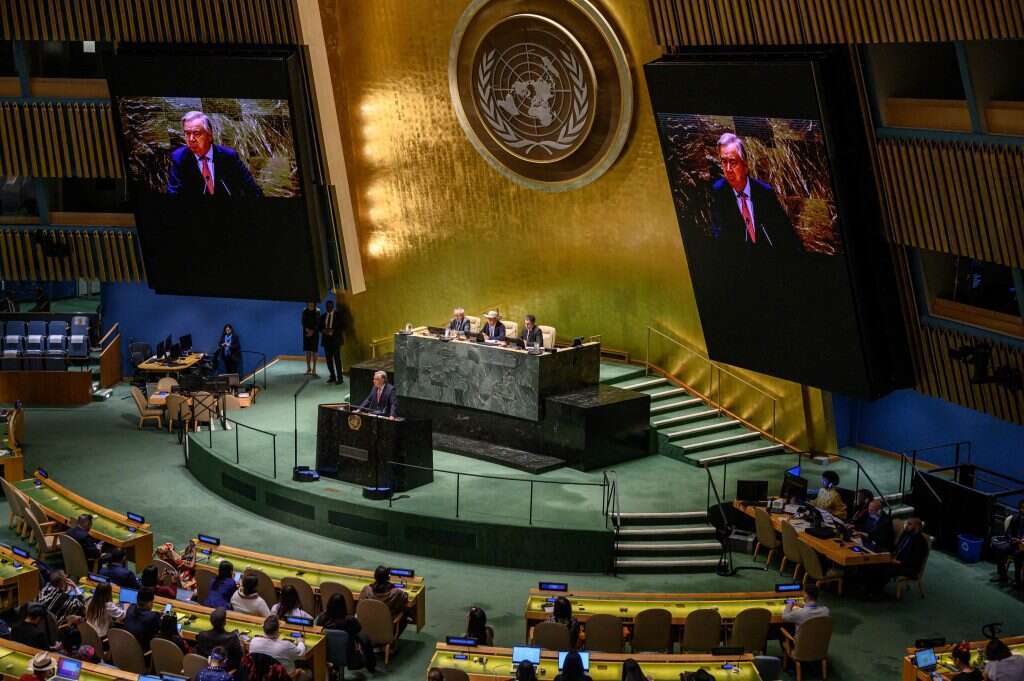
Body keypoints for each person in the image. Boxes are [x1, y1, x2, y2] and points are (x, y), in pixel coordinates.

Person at [709, 132, 801, 251]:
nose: (728, 169)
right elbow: (719, 238)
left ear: (745, 165)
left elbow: (785, 233)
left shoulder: (765, 192)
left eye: (732, 162)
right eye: (723, 161)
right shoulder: (718, 192)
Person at [167, 111, 261, 197]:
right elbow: (173, 193)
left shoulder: (229, 157)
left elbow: (252, 190)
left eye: (196, 133)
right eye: (187, 134)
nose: (191, 139)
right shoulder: (179, 158)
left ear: (209, 136)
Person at [315, 592, 376, 672]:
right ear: (344, 606)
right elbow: (361, 635)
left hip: (325, 655)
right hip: (348, 656)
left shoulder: (321, 618)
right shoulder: (350, 621)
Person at [991, 500, 1024, 586]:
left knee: (1018, 556)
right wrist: (1012, 539)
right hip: (1014, 543)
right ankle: (1003, 576)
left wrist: (1022, 541)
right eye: (1022, 508)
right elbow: (1008, 531)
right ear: (1020, 509)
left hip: (1023, 547)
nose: (1023, 510)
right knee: (1000, 550)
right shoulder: (1016, 517)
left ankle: (1018, 582)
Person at [119, 587, 162, 652]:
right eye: (152, 602)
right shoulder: (153, 616)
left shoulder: (130, 608)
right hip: (141, 655)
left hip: (124, 650)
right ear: (149, 603)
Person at [887, 517, 929, 582]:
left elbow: (915, 561)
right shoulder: (906, 534)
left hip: (909, 567)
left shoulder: (921, 542)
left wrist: (899, 562)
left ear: (917, 527)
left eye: (909, 524)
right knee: (878, 562)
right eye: (906, 523)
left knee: (885, 568)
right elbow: (898, 547)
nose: (906, 525)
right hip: (897, 560)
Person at [320, 300, 345, 385]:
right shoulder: (323, 316)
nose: (328, 308)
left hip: (336, 340)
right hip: (326, 341)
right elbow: (319, 327)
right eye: (327, 306)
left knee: (337, 360)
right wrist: (323, 330)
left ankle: (340, 378)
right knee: (328, 360)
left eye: (330, 306)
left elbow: (343, 326)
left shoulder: (338, 315)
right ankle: (332, 376)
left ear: (333, 306)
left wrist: (333, 331)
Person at [301, 302, 320, 377]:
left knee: (314, 351)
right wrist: (307, 330)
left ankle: (314, 369)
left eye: (312, 303)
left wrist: (312, 331)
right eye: (309, 303)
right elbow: (303, 322)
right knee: (307, 350)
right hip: (306, 333)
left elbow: (318, 323)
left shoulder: (317, 311)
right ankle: (308, 368)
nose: (310, 304)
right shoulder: (304, 311)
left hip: (315, 333)